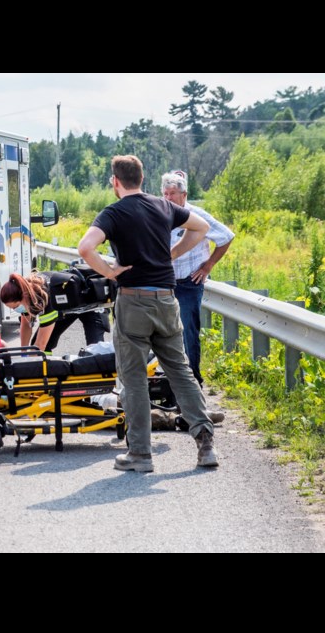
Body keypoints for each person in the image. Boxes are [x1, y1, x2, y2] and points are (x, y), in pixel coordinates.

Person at [77, 154, 218, 472]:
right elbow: (202, 227)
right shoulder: (164, 206)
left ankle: (140, 454)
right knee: (180, 371)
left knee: (134, 378)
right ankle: (205, 442)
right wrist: (173, 254)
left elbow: (85, 247)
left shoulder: (113, 213)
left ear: (115, 181)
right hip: (167, 300)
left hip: (133, 301)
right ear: (141, 178)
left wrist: (110, 272)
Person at [162, 170, 235, 386]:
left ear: (184, 195)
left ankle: (193, 381)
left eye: (172, 193)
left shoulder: (196, 215)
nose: (168, 198)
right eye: (165, 193)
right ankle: (170, 381)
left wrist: (208, 265)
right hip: (165, 283)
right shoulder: (162, 214)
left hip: (188, 283)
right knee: (164, 335)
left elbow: (226, 237)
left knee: (187, 332)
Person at [0, 272, 106, 353]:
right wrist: (23, 354)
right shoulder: (24, 292)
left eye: (16, 306)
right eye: (13, 308)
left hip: (90, 304)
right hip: (65, 308)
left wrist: (26, 365)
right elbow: (26, 325)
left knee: (95, 350)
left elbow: (41, 344)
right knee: (35, 348)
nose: (16, 310)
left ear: (24, 296)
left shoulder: (45, 298)